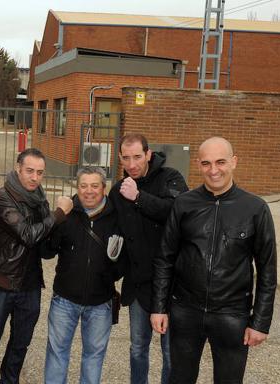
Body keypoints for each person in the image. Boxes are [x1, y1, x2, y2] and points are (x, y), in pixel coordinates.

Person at [151, 137, 277, 384]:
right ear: (198, 164)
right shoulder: (184, 204)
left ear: (234, 162)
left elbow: (267, 270)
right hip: (186, 311)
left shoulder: (255, 208)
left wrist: (260, 322)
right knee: (180, 378)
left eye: (220, 162)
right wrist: (159, 307)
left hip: (232, 315)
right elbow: (165, 258)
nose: (213, 170)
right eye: (206, 163)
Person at [0, 148, 73, 384]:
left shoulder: (38, 198)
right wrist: (59, 214)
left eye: (39, 173)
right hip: (0, 282)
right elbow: (27, 235)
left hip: (29, 285)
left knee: (20, 344)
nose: (34, 177)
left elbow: (42, 245)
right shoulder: (2, 198)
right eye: (29, 171)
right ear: (18, 168)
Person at [109, 133, 188, 384]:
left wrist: (140, 198)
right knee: (137, 348)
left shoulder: (171, 178)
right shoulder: (117, 190)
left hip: (172, 284)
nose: (132, 164)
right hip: (138, 283)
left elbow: (179, 214)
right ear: (120, 158)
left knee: (170, 353)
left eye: (137, 157)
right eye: (126, 158)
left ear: (148, 155)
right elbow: (111, 231)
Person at [43, 167, 123, 384]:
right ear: (76, 188)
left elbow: (125, 256)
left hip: (100, 302)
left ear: (103, 188)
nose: (89, 191)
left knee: (94, 357)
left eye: (95, 185)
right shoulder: (67, 213)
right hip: (64, 300)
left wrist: (109, 276)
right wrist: (57, 217)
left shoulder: (117, 216)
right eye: (83, 186)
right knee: (57, 353)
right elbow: (47, 252)